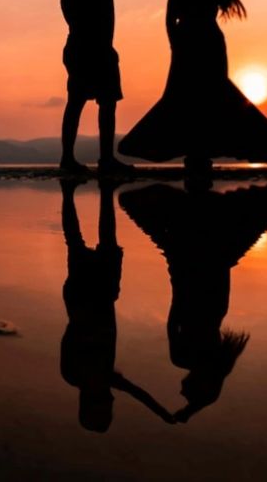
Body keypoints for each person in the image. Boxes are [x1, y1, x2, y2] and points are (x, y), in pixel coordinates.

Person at [118, 0, 267, 179]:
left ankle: (200, 153)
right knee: (191, 95)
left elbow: (170, 21)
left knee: (208, 94)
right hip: (198, 42)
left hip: (197, 42)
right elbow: (170, 21)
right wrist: (175, 45)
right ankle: (198, 153)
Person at [119, 182, 267, 423]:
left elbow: (209, 391)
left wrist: (189, 411)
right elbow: (174, 315)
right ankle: (201, 198)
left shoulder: (218, 357)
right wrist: (189, 410)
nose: (180, 391)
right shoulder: (184, 357)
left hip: (212, 266)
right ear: (200, 383)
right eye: (186, 394)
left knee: (265, 207)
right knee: (132, 202)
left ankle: (202, 197)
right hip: (190, 270)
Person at [59, 177, 174, 432]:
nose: (111, 399)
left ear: (90, 401)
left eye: (105, 404)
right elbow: (137, 393)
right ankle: (101, 195)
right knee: (99, 240)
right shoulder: (99, 378)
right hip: (100, 294)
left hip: (86, 297)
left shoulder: (77, 375)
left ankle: (71, 195)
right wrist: (163, 413)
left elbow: (69, 335)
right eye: (110, 405)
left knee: (77, 241)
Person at [60, 0, 172, 175]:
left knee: (104, 102)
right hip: (85, 49)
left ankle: (102, 158)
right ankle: (72, 158)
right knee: (79, 102)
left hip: (94, 49)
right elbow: (72, 14)